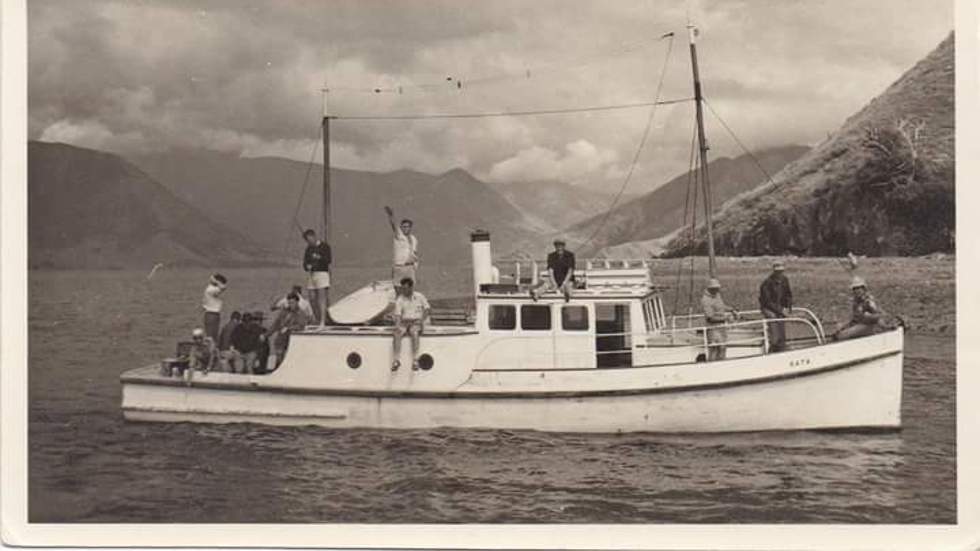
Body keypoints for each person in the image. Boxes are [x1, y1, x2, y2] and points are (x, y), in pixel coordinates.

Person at [391, 277, 430, 372]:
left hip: (416, 321)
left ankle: (415, 360)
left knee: (414, 332)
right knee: (397, 333)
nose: (403, 290)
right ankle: (396, 359)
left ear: (411, 287)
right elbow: (398, 314)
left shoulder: (419, 296)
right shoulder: (400, 299)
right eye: (402, 288)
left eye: (405, 288)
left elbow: (427, 309)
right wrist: (397, 326)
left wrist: (421, 320)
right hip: (405, 322)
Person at [266, 293, 313, 367]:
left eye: (293, 303)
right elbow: (276, 324)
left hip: (291, 341)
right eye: (289, 303)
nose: (291, 305)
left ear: (297, 302)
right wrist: (267, 335)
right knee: (279, 358)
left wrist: (289, 328)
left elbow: (301, 326)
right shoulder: (284, 312)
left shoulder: (301, 313)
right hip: (281, 339)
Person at [833, 276, 883, 341]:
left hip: (868, 326)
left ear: (863, 289)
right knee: (838, 334)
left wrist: (869, 316)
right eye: (855, 289)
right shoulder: (855, 302)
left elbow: (878, 316)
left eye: (859, 288)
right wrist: (842, 327)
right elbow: (852, 318)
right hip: (858, 325)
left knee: (843, 336)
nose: (857, 291)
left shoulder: (868, 301)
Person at [701, 278, 739, 361]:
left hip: (721, 327)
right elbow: (710, 318)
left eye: (717, 288)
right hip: (713, 328)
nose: (717, 290)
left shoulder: (717, 295)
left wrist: (732, 309)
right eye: (715, 288)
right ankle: (712, 366)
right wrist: (726, 318)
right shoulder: (706, 300)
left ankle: (722, 363)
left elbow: (721, 306)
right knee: (714, 349)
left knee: (723, 347)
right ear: (710, 288)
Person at [759, 260, 793, 352]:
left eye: (781, 271)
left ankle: (781, 345)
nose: (779, 273)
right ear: (774, 271)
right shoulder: (766, 283)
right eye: (777, 272)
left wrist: (788, 308)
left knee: (781, 325)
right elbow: (767, 301)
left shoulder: (785, 280)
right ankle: (773, 347)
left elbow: (788, 295)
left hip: (779, 307)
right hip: (768, 308)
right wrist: (781, 310)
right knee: (773, 320)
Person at [302, 228, 332, 326]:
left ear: (314, 236)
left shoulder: (324, 246)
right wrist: (307, 266)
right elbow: (305, 263)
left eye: (309, 239)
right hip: (312, 274)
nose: (309, 242)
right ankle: (318, 319)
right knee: (311, 298)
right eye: (307, 240)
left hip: (322, 273)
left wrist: (319, 257)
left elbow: (328, 260)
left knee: (321, 298)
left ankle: (323, 321)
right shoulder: (308, 249)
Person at [385, 206, 419, 284]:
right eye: (403, 227)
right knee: (398, 287)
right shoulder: (399, 236)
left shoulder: (414, 239)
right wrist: (391, 215)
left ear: (410, 228)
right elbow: (394, 225)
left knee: (409, 290)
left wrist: (415, 265)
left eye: (407, 227)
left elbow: (415, 253)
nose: (405, 228)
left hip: (410, 268)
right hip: (399, 267)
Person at [201, 273, 227, 341]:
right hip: (211, 314)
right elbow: (223, 287)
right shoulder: (211, 289)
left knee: (214, 336)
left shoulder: (212, 289)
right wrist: (215, 281)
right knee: (211, 337)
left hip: (214, 314)